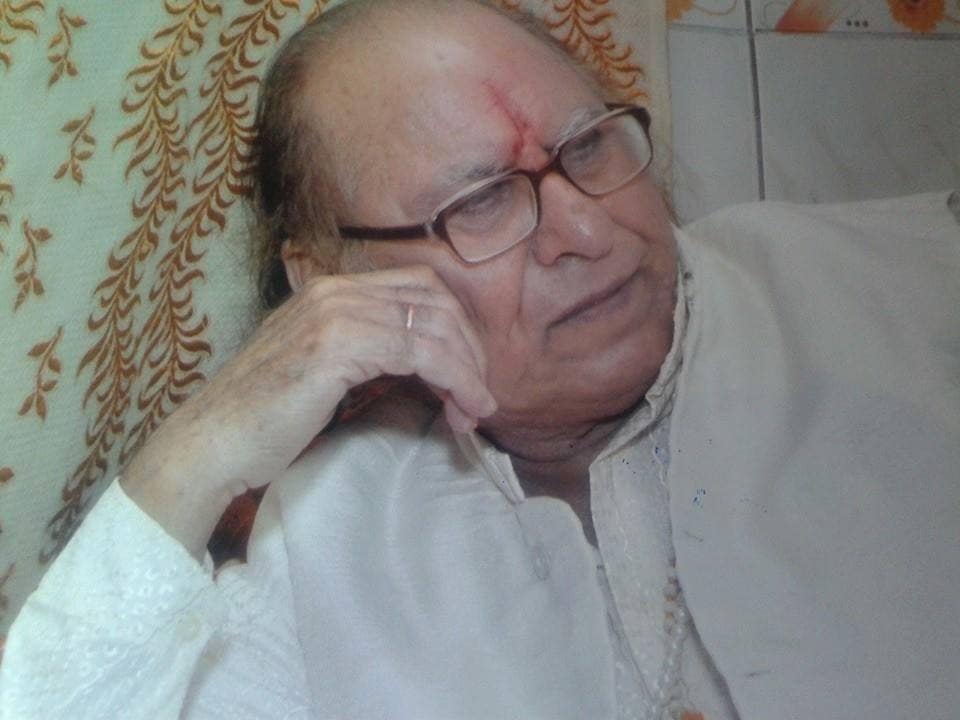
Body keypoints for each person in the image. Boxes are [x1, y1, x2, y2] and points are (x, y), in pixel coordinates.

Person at [2, 0, 959, 718]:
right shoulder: (325, 544)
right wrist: (195, 455)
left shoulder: (911, 287)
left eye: (590, 147)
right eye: (482, 202)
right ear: (332, 281)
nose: (588, 230)